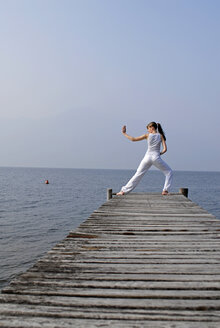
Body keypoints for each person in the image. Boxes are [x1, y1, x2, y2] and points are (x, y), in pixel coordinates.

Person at [117, 122, 173, 196]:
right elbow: (165, 149)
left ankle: (123, 191)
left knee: (138, 174)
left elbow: (133, 139)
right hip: (156, 157)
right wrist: (159, 154)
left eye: (148, 129)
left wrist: (124, 133)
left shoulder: (147, 135)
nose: (148, 131)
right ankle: (165, 190)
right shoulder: (161, 135)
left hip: (147, 158)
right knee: (169, 172)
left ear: (152, 127)